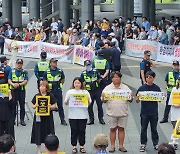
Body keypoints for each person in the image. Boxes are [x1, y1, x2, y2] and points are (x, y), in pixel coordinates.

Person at [101, 72, 133, 153]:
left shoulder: (125, 88)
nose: (116, 79)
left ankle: (121, 146)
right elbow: (103, 100)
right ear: (112, 79)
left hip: (123, 113)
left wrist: (131, 96)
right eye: (114, 77)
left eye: (118, 77)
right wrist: (104, 97)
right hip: (111, 113)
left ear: (120, 78)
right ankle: (112, 146)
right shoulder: (107, 88)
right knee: (112, 129)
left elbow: (130, 100)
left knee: (121, 129)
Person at [64, 77, 91, 153]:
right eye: (75, 83)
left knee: (82, 131)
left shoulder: (85, 92)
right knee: (74, 130)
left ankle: (82, 146)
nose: (77, 84)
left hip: (83, 115)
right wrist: (68, 100)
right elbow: (65, 102)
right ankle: (74, 146)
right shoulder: (70, 92)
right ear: (73, 84)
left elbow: (89, 103)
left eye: (78, 83)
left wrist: (88, 101)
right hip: (73, 115)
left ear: (81, 84)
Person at [136, 71, 161, 152]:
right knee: (143, 129)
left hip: (154, 112)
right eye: (147, 77)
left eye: (150, 77)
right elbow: (137, 101)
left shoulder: (157, 88)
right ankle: (143, 144)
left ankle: (156, 144)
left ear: (153, 78)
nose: (148, 79)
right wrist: (138, 97)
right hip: (144, 112)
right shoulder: (141, 88)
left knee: (154, 129)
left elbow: (160, 99)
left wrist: (161, 97)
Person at [31, 81, 57, 154]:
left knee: (48, 131)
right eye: (40, 86)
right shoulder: (37, 96)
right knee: (38, 132)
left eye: (43, 86)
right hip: (39, 116)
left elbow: (54, 105)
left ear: (46, 88)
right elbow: (32, 105)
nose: (41, 88)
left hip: (48, 117)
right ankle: (39, 149)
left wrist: (50, 106)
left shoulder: (50, 95)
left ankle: (47, 148)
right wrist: (35, 106)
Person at [43, 58, 67, 126]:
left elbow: (63, 79)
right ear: (50, 63)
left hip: (58, 90)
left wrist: (60, 85)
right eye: (54, 62)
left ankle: (62, 119)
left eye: (56, 62)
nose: (55, 63)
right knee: (48, 105)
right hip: (50, 91)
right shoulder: (46, 72)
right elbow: (45, 81)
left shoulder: (60, 71)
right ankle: (47, 120)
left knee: (60, 106)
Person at [80, 60, 105, 125]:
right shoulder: (83, 73)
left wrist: (97, 83)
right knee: (89, 106)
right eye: (87, 65)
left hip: (97, 90)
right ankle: (91, 119)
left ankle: (101, 118)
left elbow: (99, 79)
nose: (88, 66)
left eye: (89, 64)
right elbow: (82, 82)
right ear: (85, 65)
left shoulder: (95, 71)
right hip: (89, 91)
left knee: (99, 105)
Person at [8, 59, 28, 126]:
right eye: (18, 63)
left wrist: (19, 84)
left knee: (22, 105)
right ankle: (13, 119)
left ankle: (22, 119)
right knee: (13, 105)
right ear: (16, 64)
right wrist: (13, 84)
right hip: (14, 90)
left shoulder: (24, 71)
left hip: (21, 90)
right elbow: (9, 80)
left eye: (20, 63)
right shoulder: (12, 71)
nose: (19, 65)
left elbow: (26, 80)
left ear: (22, 64)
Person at [168, 75, 180, 150]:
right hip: (175, 112)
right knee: (175, 128)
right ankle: (175, 143)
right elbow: (170, 101)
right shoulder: (174, 90)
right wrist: (175, 104)